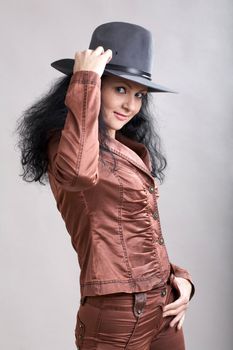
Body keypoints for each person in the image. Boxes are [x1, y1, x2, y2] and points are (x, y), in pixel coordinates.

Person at [16, 22, 195, 350]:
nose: (130, 105)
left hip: (164, 303)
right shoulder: (65, 145)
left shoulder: (130, 150)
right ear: (94, 84)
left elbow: (137, 231)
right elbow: (76, 176)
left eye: (139, 95)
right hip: (119, 315)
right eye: (120, 89)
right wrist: (84, 79)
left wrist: (178, 278)